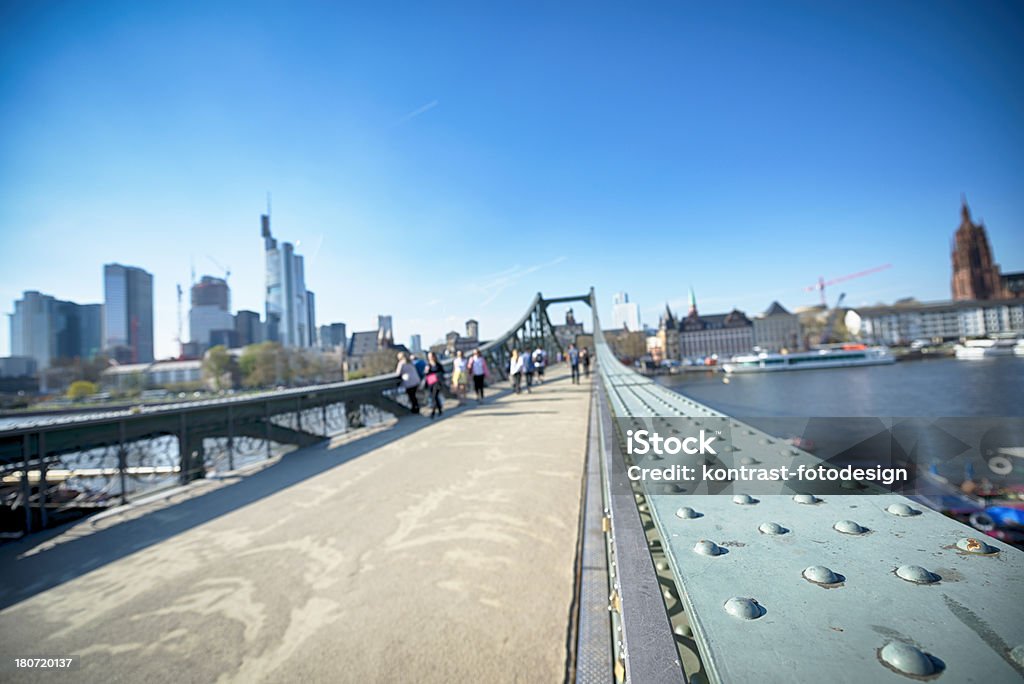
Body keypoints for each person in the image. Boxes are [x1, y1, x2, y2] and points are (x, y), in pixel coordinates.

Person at [424, 351, 446, 418]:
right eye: (429, 357)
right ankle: (439, 410)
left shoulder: (438, 365)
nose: (430, 358)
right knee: (434, 397)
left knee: (434, 396)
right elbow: (426, 374)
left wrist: (437, 375)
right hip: (431, 382)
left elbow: (442, 372)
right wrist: (426, 371)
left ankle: (433, 412)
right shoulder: (428, 365)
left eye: (431, 356)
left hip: (437, 382)